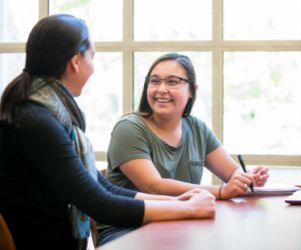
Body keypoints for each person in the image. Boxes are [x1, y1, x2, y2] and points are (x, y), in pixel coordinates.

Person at [0, 15, 215, 250]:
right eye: (92, 57)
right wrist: (188, 208)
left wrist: (179, 202)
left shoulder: (45, 112)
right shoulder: (37, 120)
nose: (93, 67)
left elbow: (105, 188)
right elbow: (98, 203)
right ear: (75, 62)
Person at [106, 52, 270, 200]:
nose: (161, 89)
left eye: (172, 82)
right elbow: (153, 186)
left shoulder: (197, 128)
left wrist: (246, 178)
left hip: (180, 221)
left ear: (192, 90)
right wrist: (220, 191)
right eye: (154, 81)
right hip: (130, 229)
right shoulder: (128, 129)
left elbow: (232, 172)